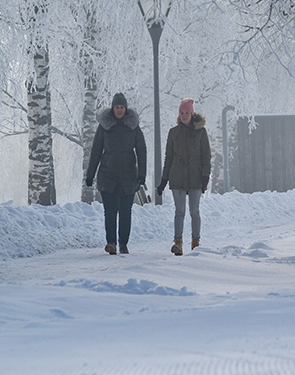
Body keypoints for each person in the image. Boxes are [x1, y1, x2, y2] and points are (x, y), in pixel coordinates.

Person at [85, 93, 147, 255]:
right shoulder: (104, 126)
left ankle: (123, 243)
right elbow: (96, 151)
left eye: (121, 107)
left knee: (126, 212)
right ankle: (111, 242)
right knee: (110, 211)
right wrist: (90, 174)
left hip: (128, 175)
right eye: (116, 107)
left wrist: (142, 174)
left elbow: (141, 151)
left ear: (126, 109)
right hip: (108, 175)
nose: (119, 110)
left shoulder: (133, 127)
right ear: (112, 109)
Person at [157, 98, 211, 255]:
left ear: (192, 114)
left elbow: (206, 156)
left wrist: (205, 176)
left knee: (194, 211)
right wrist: (163, 180)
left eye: (187, 112)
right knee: (179, 211)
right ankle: (178, 243)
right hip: (177, 176)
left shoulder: (201, 132)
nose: (184, 115)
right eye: (181, 112)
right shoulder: (174, 133)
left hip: (195, 177)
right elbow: (169, 157)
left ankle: (195, 243)